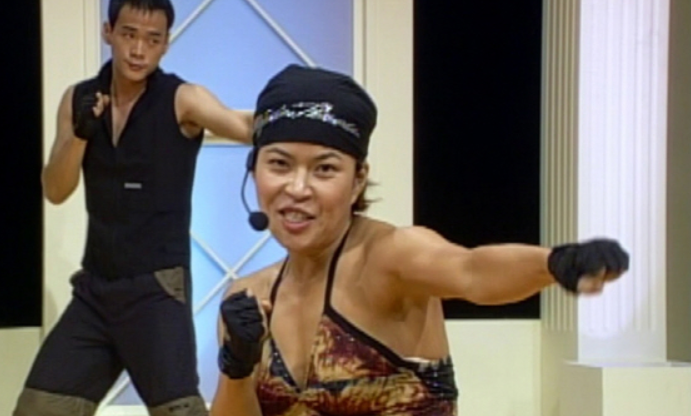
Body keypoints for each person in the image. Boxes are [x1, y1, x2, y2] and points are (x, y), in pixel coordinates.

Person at [209, 64, 630, 416]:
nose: (298, 188)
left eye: (325, 169)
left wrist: (555, 264)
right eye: (279, 164)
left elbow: (472, 271)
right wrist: (237, 364)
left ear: (358, 181)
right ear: (254, 170)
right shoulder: (249, 296)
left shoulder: (387, 257)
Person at [13, 1, 254, 415]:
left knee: (180, 411)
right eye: (128, 35)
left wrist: (300, 113)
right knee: (38, 408)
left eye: (152, 39)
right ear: (108, 32)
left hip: (156, 291)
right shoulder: (79, 98)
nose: (139, 50)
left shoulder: (183, 99)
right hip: (95, 292)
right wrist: (80, 134)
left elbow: (243, 127)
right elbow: (55, 189)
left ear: (166, 45)